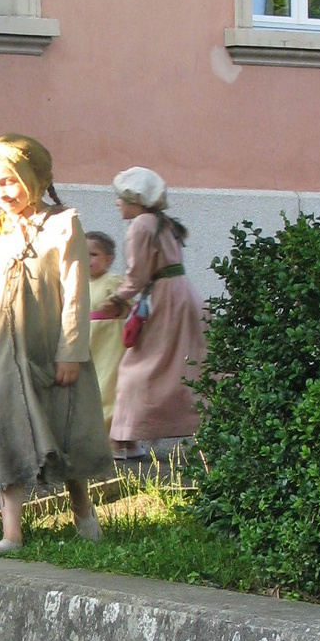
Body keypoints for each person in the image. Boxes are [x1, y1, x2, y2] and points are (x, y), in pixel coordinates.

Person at [0, 134, 111, 556]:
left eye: (10, 181)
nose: (2, 192)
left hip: (50, 348)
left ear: (34, 178)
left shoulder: (64, 225)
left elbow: (76, 291)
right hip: (4, 354)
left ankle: (83, 515)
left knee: (63, 427)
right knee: (1, 429)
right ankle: (12, 534)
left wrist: (71, 351)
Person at [109, 166, 207, 460]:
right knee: (182, 364)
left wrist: (117, 298)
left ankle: (123, 436)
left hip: (163, 299)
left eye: (122, 198)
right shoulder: (164, 223)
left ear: (136, 200)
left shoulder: (141, 225)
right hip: (182, 295)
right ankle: (139, 433)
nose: (118, 203)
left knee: (138, 365)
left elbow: (136, 275)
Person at [86, 230, 126, 427]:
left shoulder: (112, 280)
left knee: (107, 385)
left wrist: (117, 306)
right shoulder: (80, 283)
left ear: (108, 259)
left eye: (93, 254)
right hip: (89, 340)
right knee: (91, 386)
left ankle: (110, 432)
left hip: (109, 341)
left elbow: (128, 303)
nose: (87, 260)